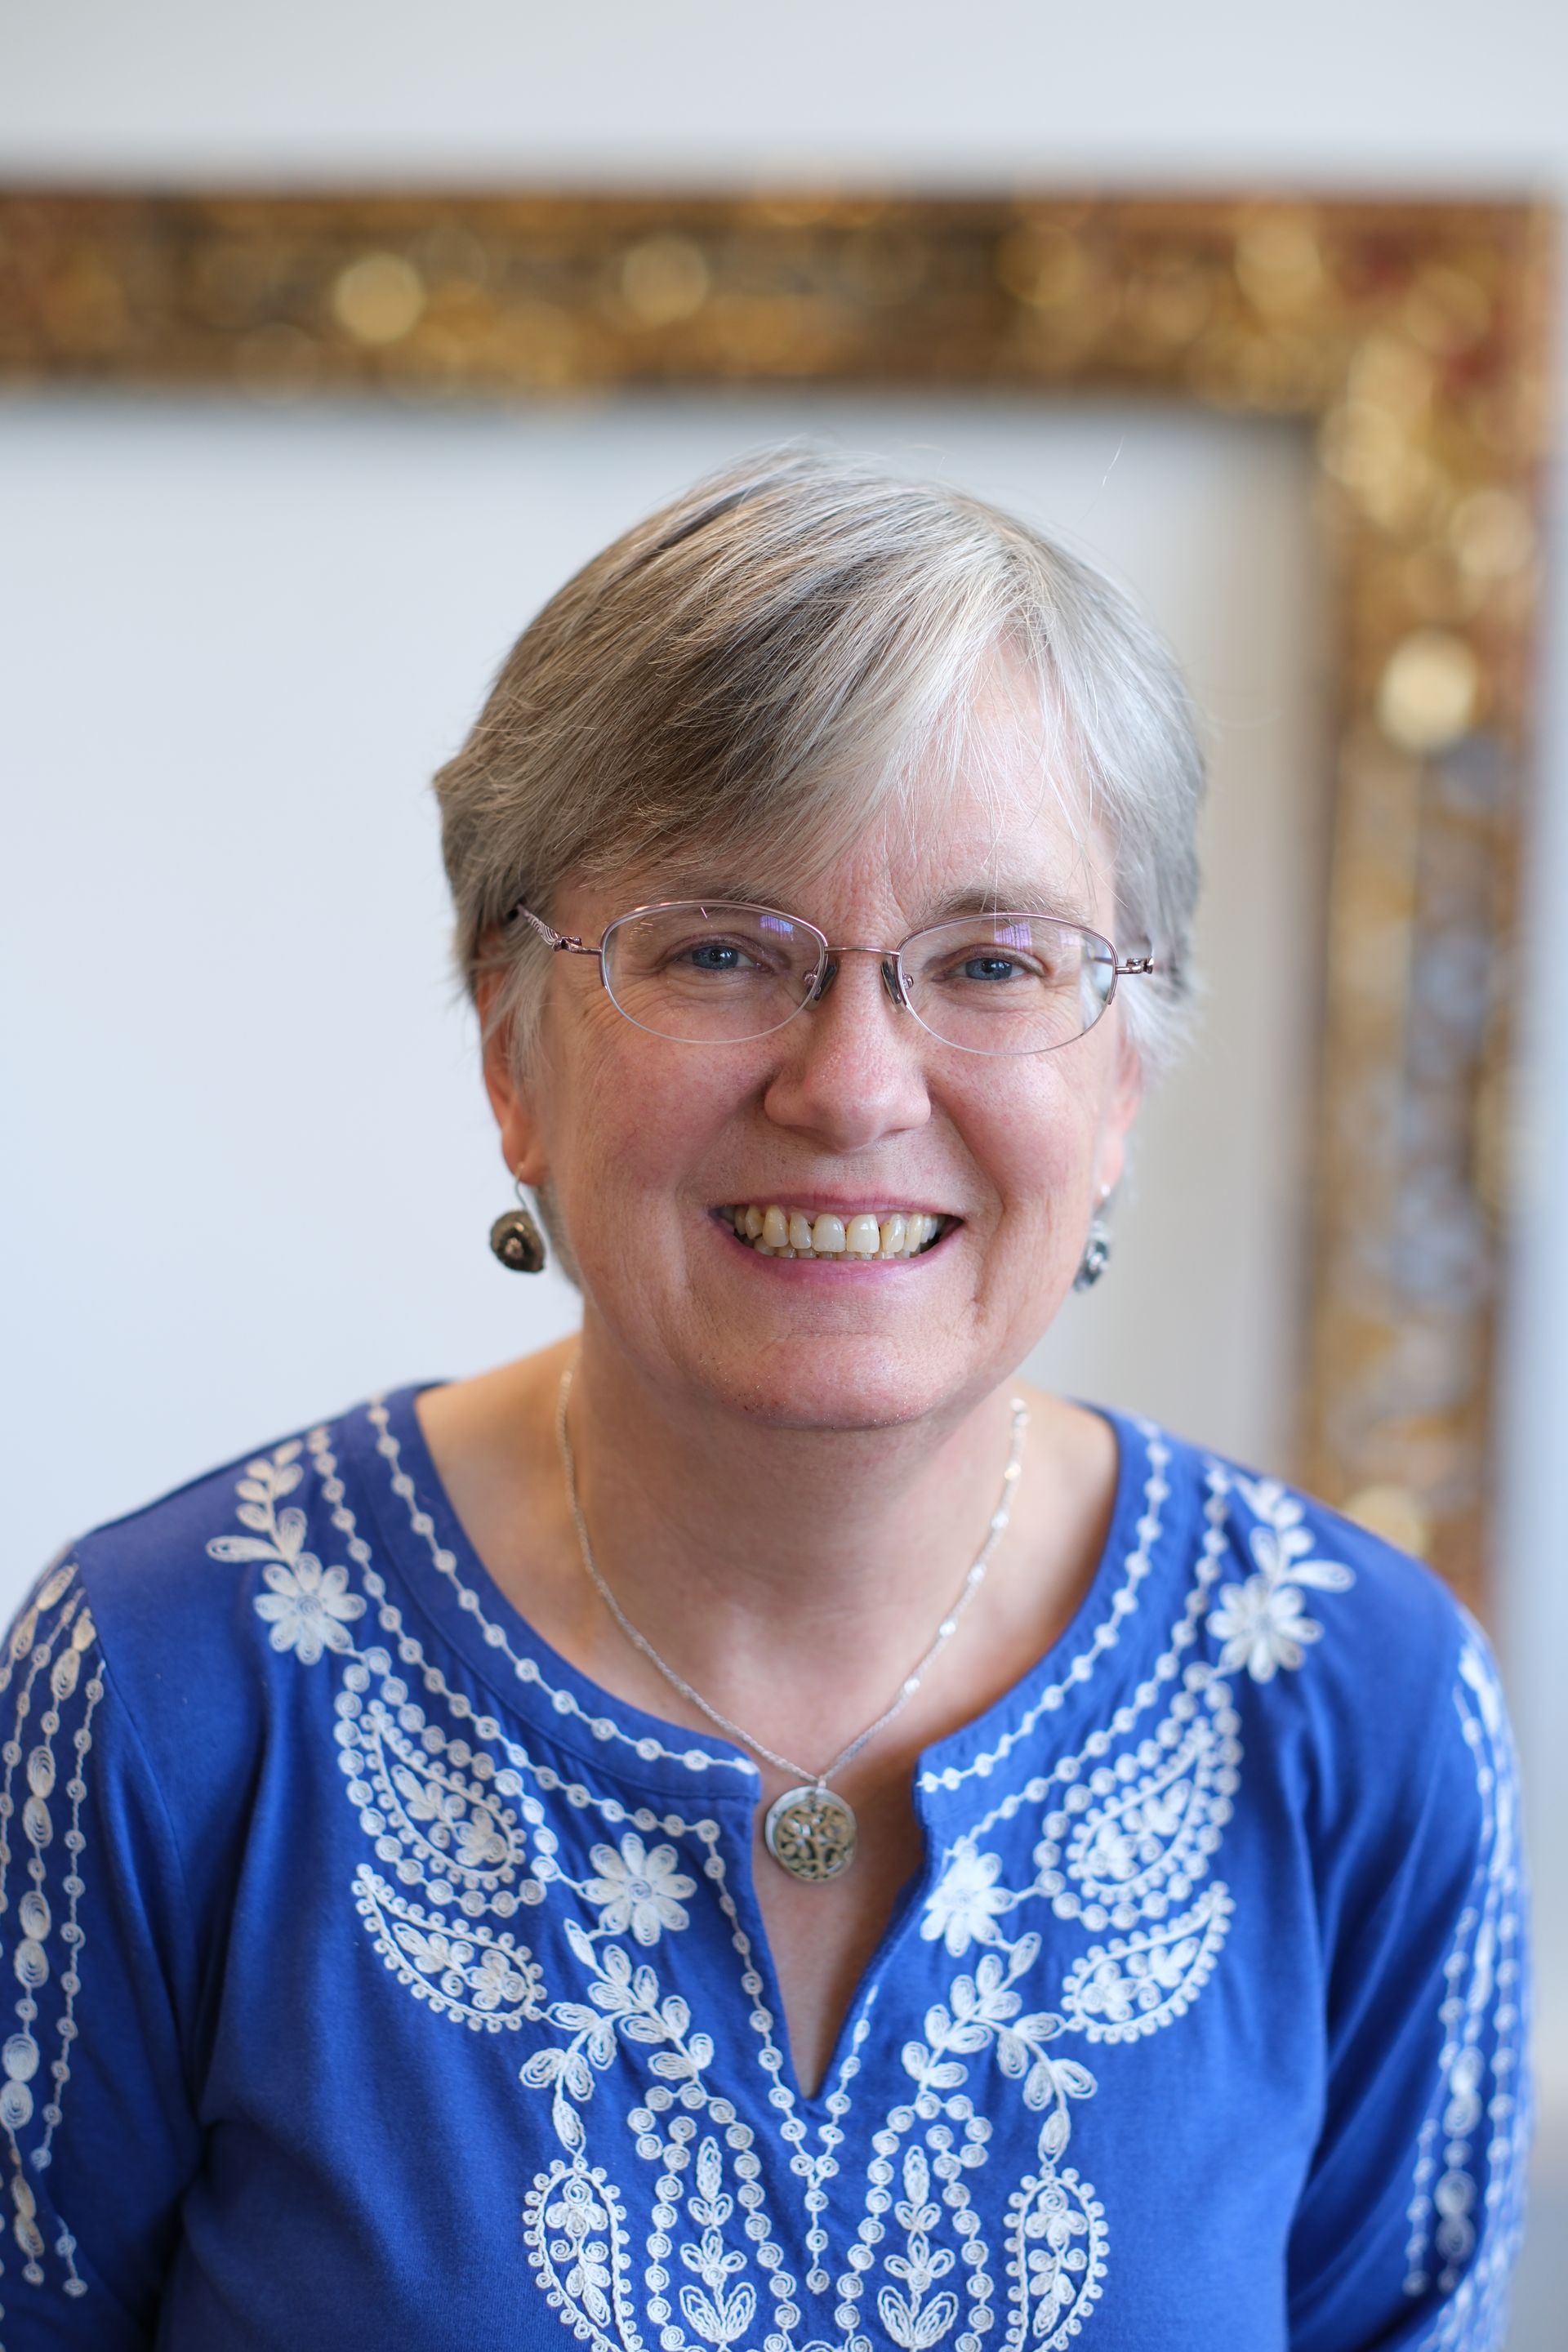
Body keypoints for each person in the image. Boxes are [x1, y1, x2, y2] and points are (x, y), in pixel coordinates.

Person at [4, 451, 1526, 2351]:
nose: (854, 1083)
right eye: (720, 950)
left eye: (991, 960)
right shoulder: (167, 1694)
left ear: (1126, 1078)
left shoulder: (1358, 1716)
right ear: (510, 1047)